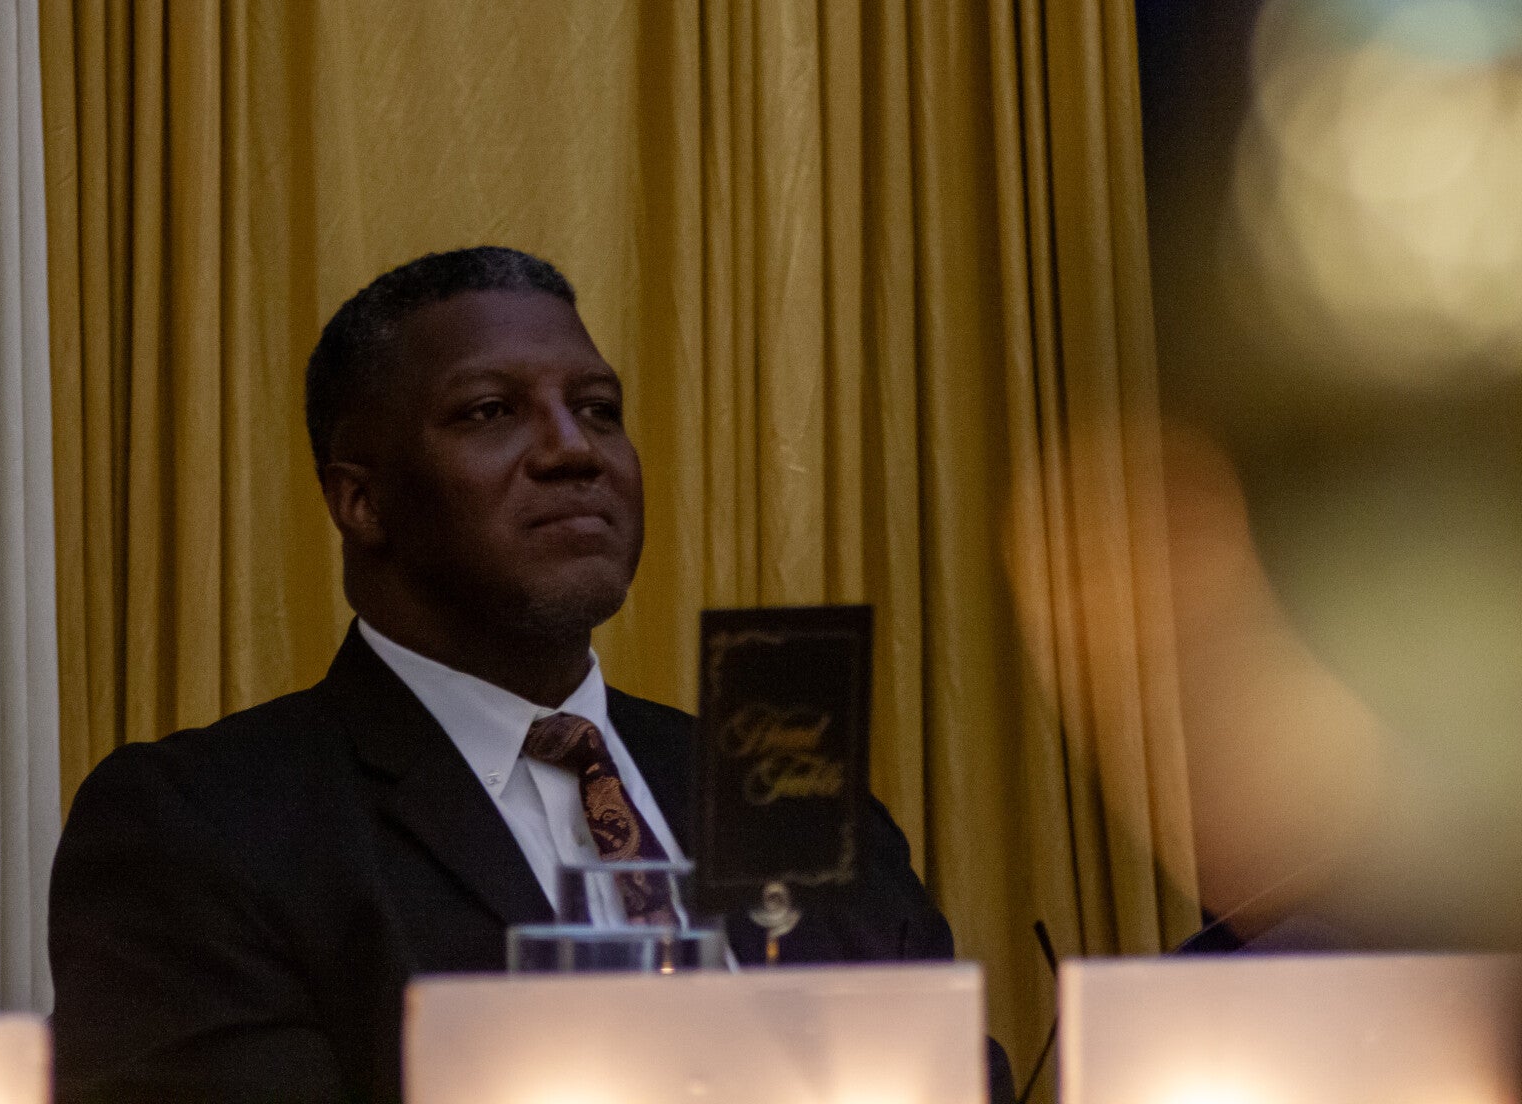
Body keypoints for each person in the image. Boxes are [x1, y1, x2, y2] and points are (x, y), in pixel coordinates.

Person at [49, 246, 1010, 1103]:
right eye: (491, 412)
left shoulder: (782, 790)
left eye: (599, 410)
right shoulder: (203, 826)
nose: (573, 450)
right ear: (361, 501)